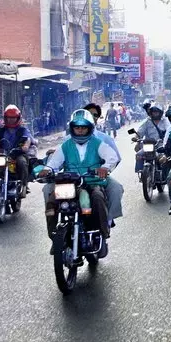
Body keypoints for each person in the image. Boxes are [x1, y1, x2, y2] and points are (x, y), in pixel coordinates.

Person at [39, 109, 118, 257]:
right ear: (72, 128)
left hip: (91, 181)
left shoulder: (97, 143)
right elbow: (54, 162)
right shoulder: (66, 145)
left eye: (83, 127)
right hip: (69, 183)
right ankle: (55, 238)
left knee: (98, 198)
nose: (80, 130)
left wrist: (104, 167)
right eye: (77, 127)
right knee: (52, 202)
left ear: (89, 128)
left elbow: (111, 156)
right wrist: (47, 169)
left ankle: (102, 234)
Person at [83, 103, 124, 225]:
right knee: (48, 190)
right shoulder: (69, 138)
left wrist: (105, 170)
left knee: (116, 189)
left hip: (95, 177)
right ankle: (56, 234)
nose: (92, 117)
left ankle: (107, 220)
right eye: (89, 114)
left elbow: (116, 158)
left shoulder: (104, 138)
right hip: (73, 177)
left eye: (95, 115)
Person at [0, 105, 36, 198]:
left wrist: (25, 146)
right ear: (5, 118)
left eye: (13, 118)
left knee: (22, 162)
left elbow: (28, 139)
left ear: (18, 118)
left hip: (17, 154)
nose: (11, 120)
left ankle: (24, 186)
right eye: (9, 118)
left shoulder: (23, 129)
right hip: (2, 155)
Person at [133, 103, 171, 172]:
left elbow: (169, 130)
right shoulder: (147, 121)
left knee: (164, 159)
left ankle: (164, 174)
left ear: (160, 112)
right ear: (151, 113)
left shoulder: (165, 121)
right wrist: (136, 137)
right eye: (153, 112)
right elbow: (140, 132)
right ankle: (140, 171)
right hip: (148, 145)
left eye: (156, 112)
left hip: (160, 145)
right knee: (138, 155)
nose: (155, 114)